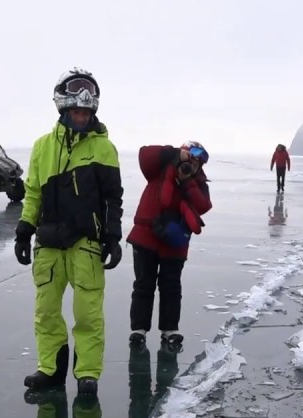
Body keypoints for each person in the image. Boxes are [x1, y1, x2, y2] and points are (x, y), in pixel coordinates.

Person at [14, 67, 124, 397]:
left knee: (87, 313)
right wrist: (24, 230)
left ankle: (87, 374)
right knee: (46, 311)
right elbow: (33, 192)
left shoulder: (104, 149)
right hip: (48, 243)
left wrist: (112, 237)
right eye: (76, 110)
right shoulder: (42, 147)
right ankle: (51, 369)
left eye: (86, 111)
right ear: (63, 108)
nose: (81, 115)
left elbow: (112, 198)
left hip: (86, 245)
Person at [126, 141, 213, 349]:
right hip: (146, 236)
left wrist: (187, 182)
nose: (194, 163)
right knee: (143, 284)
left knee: (171, 287)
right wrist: (174, 154)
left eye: (199, 161)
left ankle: (170, 330)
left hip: (174, 243)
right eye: (191, 157)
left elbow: (203, 206)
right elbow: (144, 154)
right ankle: (139, 330)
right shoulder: (158, 169)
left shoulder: (198, 183)